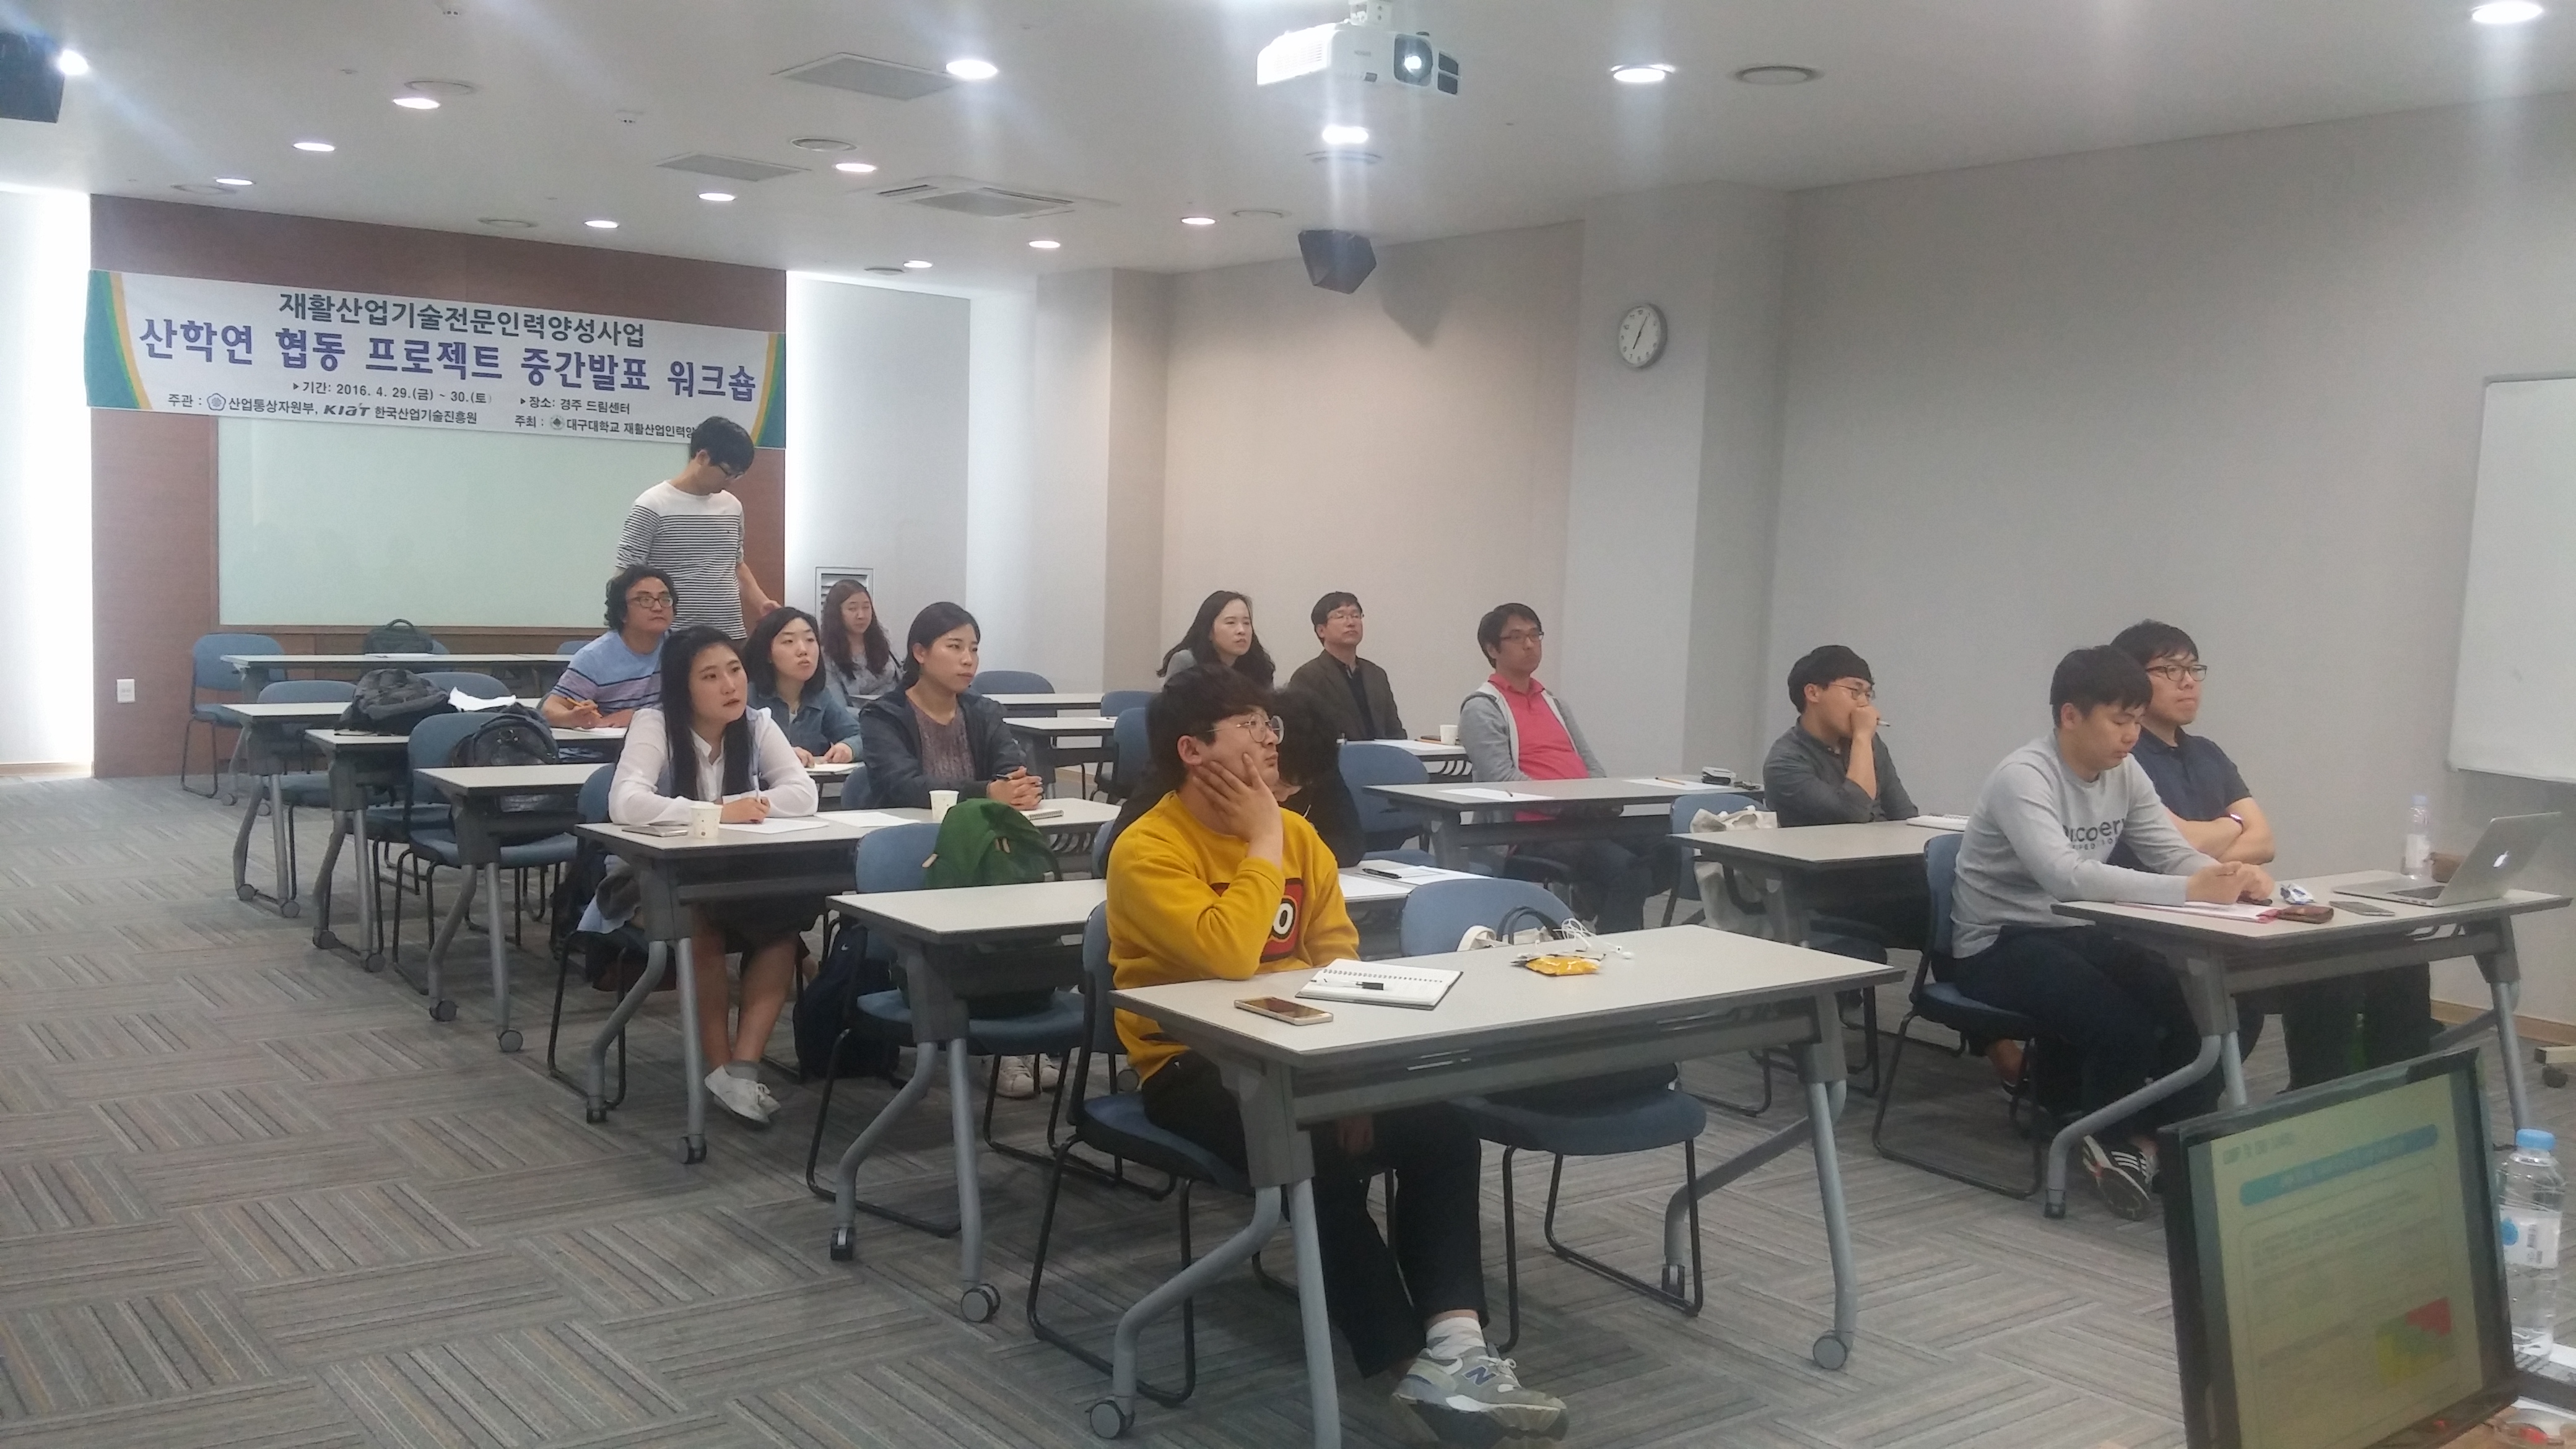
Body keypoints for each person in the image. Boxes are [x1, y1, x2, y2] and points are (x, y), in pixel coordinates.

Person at [1108, 665, 1569, 1447]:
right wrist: (1261, 838)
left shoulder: (1301, 838)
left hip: (1305, 1054)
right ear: (1192, 750)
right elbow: (1227, 953)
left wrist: (1350, 1076)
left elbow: (1337, 963)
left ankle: (1458, 1348)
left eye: (1269, 725)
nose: (1268, 740)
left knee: (1440, 1130)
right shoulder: (1148, 848)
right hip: (1191, 1065)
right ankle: (1410, 1370)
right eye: (1248, 726)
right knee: (1310, 1158)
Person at [1947, 645, 2275, 1219]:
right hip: (1999, 941)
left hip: (2077, 930)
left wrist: (2227, 877)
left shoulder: (2124, 772)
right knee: (2123, 1027)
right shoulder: (2024, 777)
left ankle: (2154, 1139)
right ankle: (2107, 1136)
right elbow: (2065, 877)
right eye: (2120, 720)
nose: (2131, 736)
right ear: (2071, 716)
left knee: (2219, 1007)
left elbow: (2169, 852)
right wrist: (2193, 889)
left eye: (2136, 721)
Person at [2112, 620, 2428, 1087]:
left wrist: (2219, 838)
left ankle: (2390, 1095)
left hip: (2235, 910)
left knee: (2391, 957)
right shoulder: (2124, 756)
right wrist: (2232, 824)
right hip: (2167, 922)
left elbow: (2265, 843)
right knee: (2326, 971)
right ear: (2132, 681)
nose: (2189, 682)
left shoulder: (2207, 754)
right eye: (2170, 670)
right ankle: (2314, 1098)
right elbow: (2179, 846)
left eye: (2194, 669)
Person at [607, 625, 819, 1126]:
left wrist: (745, 804)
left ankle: (741, 1070)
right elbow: (626, 802)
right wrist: (718, 811)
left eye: (735, 670)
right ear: (683, 689)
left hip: (735, 873)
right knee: (698, 922)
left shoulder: (757, 723)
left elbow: (803, 794)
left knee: (783, 929)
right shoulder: (655, 724)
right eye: (710, 676)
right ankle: (719, 1067)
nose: (730, 686)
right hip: (653, 877)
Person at [1457, 602, 1655, 933]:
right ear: (1492, 649)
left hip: (1581, 819)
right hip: (1530, 831)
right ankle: (1611, 942)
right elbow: (1504, 782)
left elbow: (1591, 765)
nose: (1530, 644)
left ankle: (1594, 900)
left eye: (1535, 635)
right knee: (1626, 869)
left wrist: (1599, 799)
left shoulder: (1553, 702)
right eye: (1516, 637)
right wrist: (1568, 805)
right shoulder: (1482, 707)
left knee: (1666, 848)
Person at [855, 602, 1046, 812]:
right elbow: (905, 787)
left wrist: (1020, 790)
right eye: (955, 647)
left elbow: (1012, 769)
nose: (968, 660)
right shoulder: (883, 716)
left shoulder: (984, 711)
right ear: (920, 653)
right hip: (908, 828)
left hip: (979, 827)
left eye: (974, 650)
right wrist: (986, 793)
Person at [614, 416, 780, 639]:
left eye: (738, 475)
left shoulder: (732, 506)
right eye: (728, 472)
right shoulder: (653, 505)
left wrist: (761, 602)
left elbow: (736, 565)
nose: (731, 481)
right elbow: (625, 576)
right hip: (674, 636)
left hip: (728, 632)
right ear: (702, 457)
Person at [1764, 645, 1917, 827]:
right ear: (1813, 693)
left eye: (1868, 694)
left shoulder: (1871, 744)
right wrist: (1862, 737)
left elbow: (1905, 814)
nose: (1864, 704)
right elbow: (1853, 814)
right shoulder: (1785, 761)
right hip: (1824, 845)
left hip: (1881, 844)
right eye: (1855, 692)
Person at [545, 565, 674, 729]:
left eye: (665, 599)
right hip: (606, 742)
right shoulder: (595, 657)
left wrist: (638, 716)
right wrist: (573, 718)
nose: (658, 607)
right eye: (645, 600)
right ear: (622, 613)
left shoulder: (680, 649)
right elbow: (550, 709)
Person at [744, 607, 863, 766]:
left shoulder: (820, 696)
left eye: (810, 640)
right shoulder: (748, 697)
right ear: (768, 654)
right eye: (789, 641)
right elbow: (733, 749)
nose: (803, 650)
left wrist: (848, 748)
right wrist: (780, 754)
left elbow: (862, 736)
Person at [1286, 591, 1406, 742]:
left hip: (1382, 755)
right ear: (1321, 630)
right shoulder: (1307, 677)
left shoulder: (1376, 674)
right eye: (1340, 616)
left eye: (1356, 615)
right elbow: (1301, 736)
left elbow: (1395, 731)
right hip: (1335, 756)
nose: (1351, 622)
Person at [1273, 689, 1365, 866]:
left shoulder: (1317, 764)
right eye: (1279, 784)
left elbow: (1350, 846)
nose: (1283, 797)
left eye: (1294, 786)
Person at [1157, 590, 1275, 687]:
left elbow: (1270, 706)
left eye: (1246, 623)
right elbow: (1171, 707)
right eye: (1231, 623)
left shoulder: (1259, 665)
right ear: (1209, 631)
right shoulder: (1187, 661)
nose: (1242, 630)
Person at [819, 578, 901, 707]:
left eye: (866, 607)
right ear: (836, 613)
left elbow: (901, 676)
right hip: (861, 715)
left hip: (898, 709)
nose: (861, 615)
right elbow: (838, 709)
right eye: (852, 609)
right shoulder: (826, 654)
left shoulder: (883, 635)